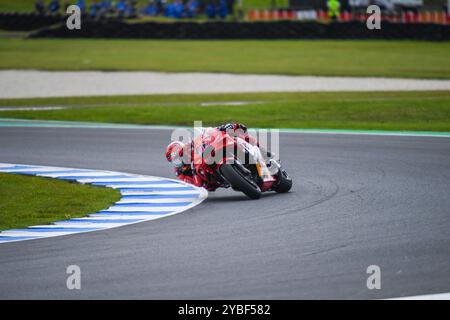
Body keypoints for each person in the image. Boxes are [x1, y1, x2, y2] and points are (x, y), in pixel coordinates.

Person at [166, 123, 272, 190]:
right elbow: (195, 185)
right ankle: (236, 178)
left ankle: (262, 151)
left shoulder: (192, 145)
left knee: (237, 135)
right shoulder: (181, 172)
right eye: (177, 161)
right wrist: (197, 177)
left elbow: (207, 133)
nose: (181, 160)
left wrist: (222, 128)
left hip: (212, 154)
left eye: (181, 155)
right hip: (211, 180)